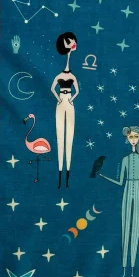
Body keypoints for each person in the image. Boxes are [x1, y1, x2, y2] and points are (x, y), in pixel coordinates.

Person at [99, 126, 139, 277]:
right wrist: (105, 177)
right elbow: (120, 181)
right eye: (130, 136)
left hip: (138, 190)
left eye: (135, 136)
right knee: (125, 225)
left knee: (136, 226)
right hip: (127, 189)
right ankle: (124, 266)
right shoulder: (125, 160)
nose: (133, 139)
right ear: (127, 138)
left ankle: (133, 266)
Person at [50, 32, 79, 188]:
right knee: (60, 134)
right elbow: (52, 88)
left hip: (68, 102)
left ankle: (67, 174)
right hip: (61, 102)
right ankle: (60, 173)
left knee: (70, 136)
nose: (73, 44)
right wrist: (59, 98)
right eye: (70, 42)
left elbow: (77, 91)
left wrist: (71, 99)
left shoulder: (73, 76)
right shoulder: (59, 75)